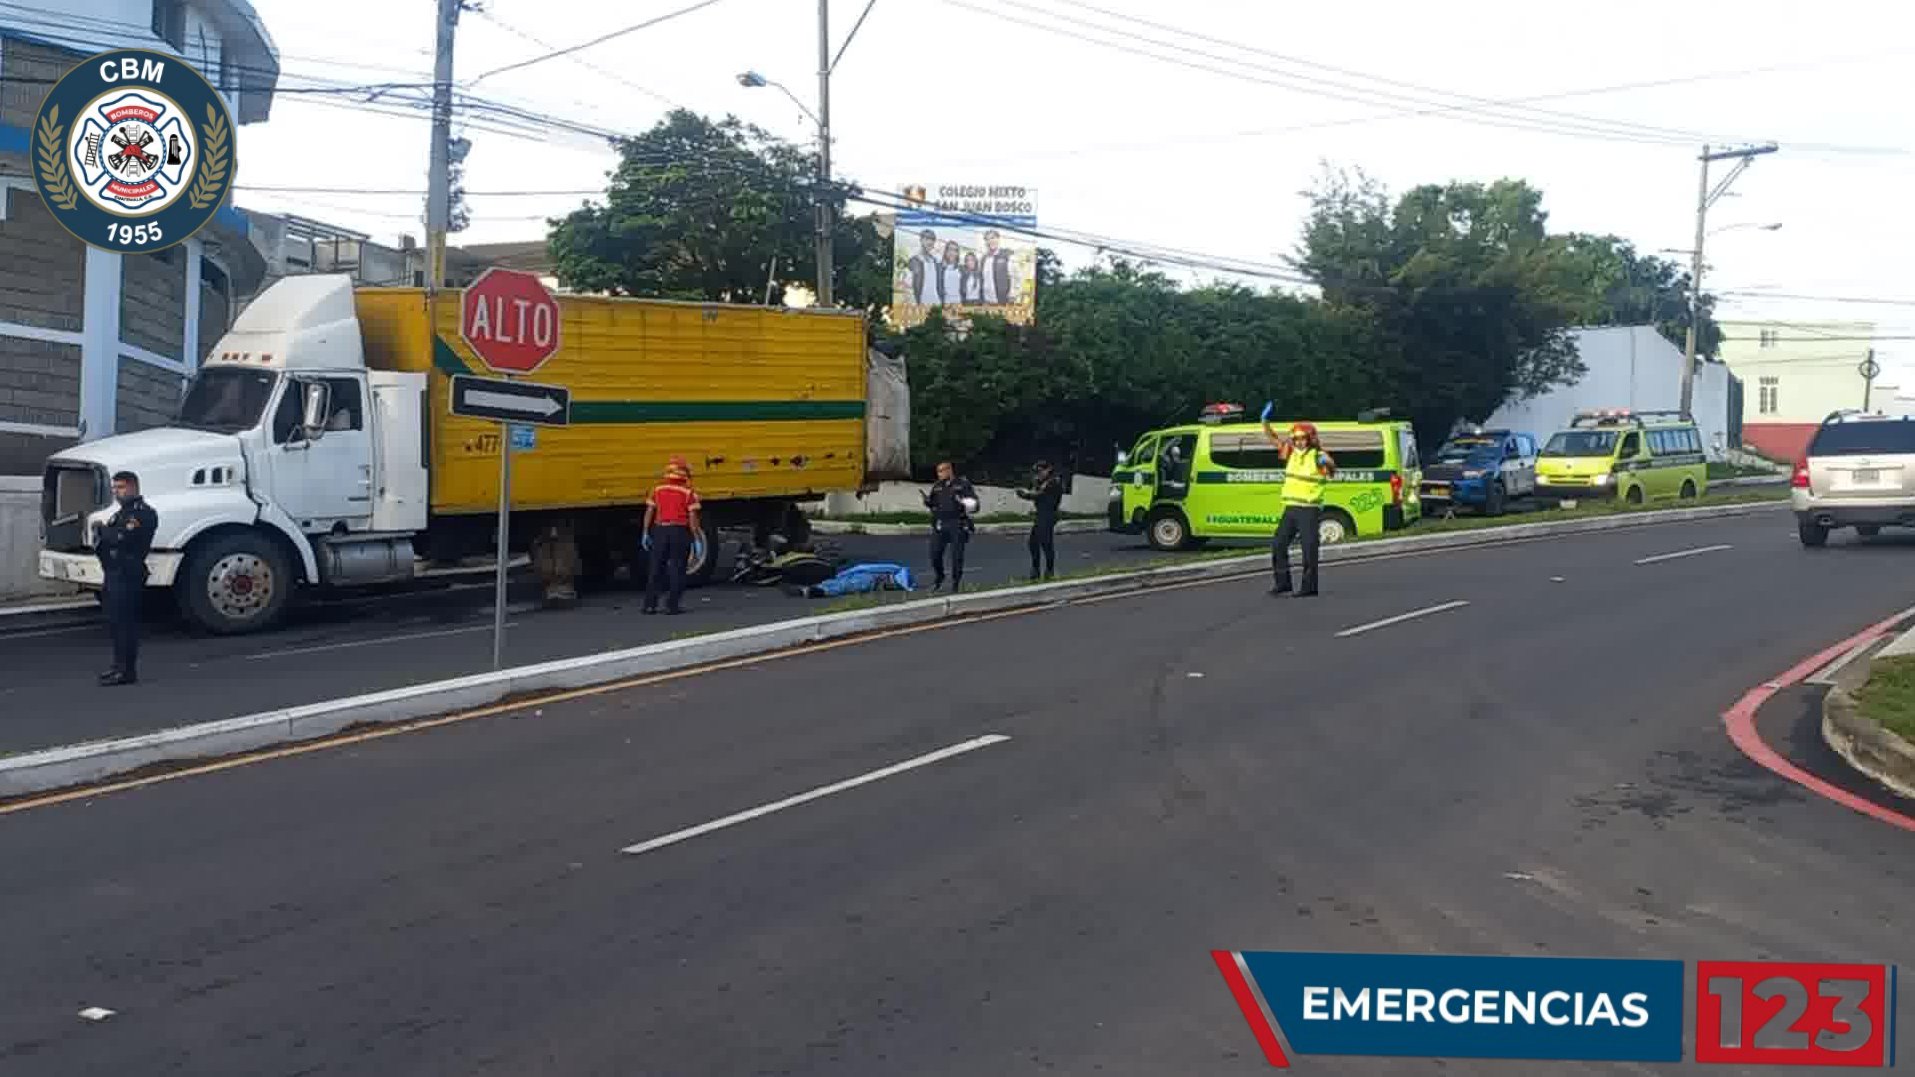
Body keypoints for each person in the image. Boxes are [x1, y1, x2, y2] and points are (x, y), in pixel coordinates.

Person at [1261, 403, 1336, 597]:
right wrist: (1265, 422)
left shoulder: (1318, 454)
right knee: (1278, 544)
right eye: (1295, 438)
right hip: (1291, 508)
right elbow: (1273, 439)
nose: (1298, 442)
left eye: (1302, 438)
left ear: (1310, 439)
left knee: (1309, 549)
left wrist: (1326, 464)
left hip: (1309, 509)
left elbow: (1331, 470)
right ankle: (1282, 582)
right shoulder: (1291, 453)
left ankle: (1309, 587)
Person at [95, 470, 156, 686]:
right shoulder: (120, 514)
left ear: (132, 487)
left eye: (120, 487)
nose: (116, 492)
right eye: (114, 488)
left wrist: (105, 533)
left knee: (126, 625)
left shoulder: (142, 513)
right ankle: (117, 665)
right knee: (114, 623)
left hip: (128, 574)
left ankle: (127, 670)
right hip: (114, 572)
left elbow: (122, 538)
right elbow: (106, 539)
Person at [642, 461, 703, 615]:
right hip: (679, 532)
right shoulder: (689, 493)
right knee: (678, 568)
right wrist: (696, 538)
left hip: (660, 530)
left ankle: (650, 605)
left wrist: (645, 532)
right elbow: (692, 518)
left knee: (656, 568)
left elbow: (650, 511)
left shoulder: (657, 490)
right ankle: (672, 605)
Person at [922, 461, 978, 592]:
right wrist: (928, 502)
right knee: (934, 553)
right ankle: (939, 576)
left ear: (949, 470)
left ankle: (955, 583)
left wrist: (963, 502)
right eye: (938, 471)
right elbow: (933, 502)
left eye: (941, 471)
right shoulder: (937, 486)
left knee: (956, 556)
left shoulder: (962, 484)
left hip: (957, 523)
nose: (939, 474)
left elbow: (975, 505)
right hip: (941, 524)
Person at [1016, 459, 1064, 581]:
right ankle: (1036, 569)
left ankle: (1049, 570)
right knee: (1033, 542)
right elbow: (1035, 492)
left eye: (1041, 471)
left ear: (1048, 469)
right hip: (1041, 514)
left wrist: (1025, 494)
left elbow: (1039, 495)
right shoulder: (1041, 481)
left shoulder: (1053, 481)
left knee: (1046, 543)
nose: (1039, 473)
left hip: (1049, 514)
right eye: (1037, 472)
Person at [979, 229, 1014, 305]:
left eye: (992, 238)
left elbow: (1014, 277)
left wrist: (1012, 294)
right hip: (986, 301)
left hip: (1002, 300)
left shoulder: (1006, 255)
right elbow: (982, 279)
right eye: (987, 239)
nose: (990, 241)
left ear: (998, 239)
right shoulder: (983, 259)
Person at [909, 230, 943, 306]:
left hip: (936, 302)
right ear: (921, 240)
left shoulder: (935, 261)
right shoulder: (914, 260)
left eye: (932, 239)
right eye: (927, 239)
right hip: (921, 303)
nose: (930, 242)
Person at [939, 241, 964, 308]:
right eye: (950, 249)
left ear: (957, 253)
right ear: (946, 252)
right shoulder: (940, 268)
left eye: (955, 250)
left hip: (959, 304)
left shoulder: (961, 268)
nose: (952, 253)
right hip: (945, 304)